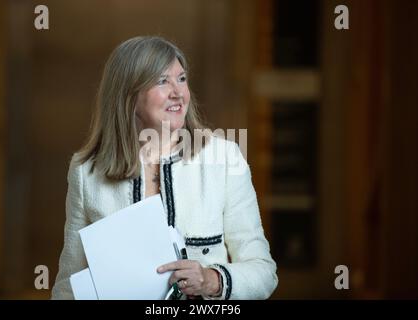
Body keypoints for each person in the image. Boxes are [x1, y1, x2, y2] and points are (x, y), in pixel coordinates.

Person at [51, 36, 278, 300]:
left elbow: (263, 272)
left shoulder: (225, 159)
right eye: (162, 81)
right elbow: (69, 286)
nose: (178, 92)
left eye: (181, 79)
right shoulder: (86, 172)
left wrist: (211, 280)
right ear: (128, 95)